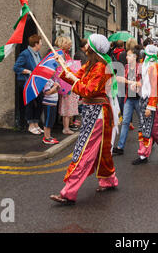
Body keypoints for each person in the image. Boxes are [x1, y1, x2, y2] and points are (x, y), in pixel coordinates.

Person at [50, 34, 120, 205]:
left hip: (98, 114)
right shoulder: (91, 64)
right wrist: (62, 64)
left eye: (88, 43)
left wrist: (75, 81)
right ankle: (109, 180)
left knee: (83, 152)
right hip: (92, 111)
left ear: (94, 48)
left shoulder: (101, 67)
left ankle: (68, 192)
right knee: (101, 150)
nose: (85, 45)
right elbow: (75, 76)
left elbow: (88, 90)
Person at [132, 45, 158, 165]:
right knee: (144, 128)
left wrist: (150, 106)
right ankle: (143, 155)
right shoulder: (148, 65)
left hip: (152, 102)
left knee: (155, 129)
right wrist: (138, 84)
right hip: (145, 99)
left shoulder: (154, 66)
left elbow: (155, 88)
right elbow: (146, 83)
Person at [112, 45, 143, 155]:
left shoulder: (141, 68)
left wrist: (128, 82)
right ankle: (120, 147)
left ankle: (147, 143)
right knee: (125, 122)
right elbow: (120, 79)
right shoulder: (125, 67)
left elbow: (142, 83)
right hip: (129, 99)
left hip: (139, 99)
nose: (127, 57)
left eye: (129, 55)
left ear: (135, 57)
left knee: (143, 122)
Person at [13, 34, 44, 135]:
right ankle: (30, 125)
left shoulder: (38, 53)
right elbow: (16, 67)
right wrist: (26, 71)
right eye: (40, 42)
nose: (42, 43)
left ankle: (36, 123)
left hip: (36, 82)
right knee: (30, 104)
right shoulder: (25, 54)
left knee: (39, 103)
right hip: (27, 83)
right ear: (36, 44)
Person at [55, 36, 80, 135]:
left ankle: (68, 125)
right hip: (65, 84)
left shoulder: (65, 54)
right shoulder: (60, 54)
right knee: (67, 107)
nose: (70, 45)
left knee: (69, 106)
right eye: (67, 43)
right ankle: (65, 128)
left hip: (69, 83)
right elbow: (61, 68)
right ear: (62, 43)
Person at [42, 78, 61, 145]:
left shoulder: (51, 80)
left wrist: (57, 87)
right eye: (53, 70)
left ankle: (49, 136)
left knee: (51, 120)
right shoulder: (46, 81)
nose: (54, 71)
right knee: (48, 120)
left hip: (53, 103)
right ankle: (46, 137)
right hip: (48, 104)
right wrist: (55, 86)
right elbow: (47, 92)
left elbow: (54, 91)